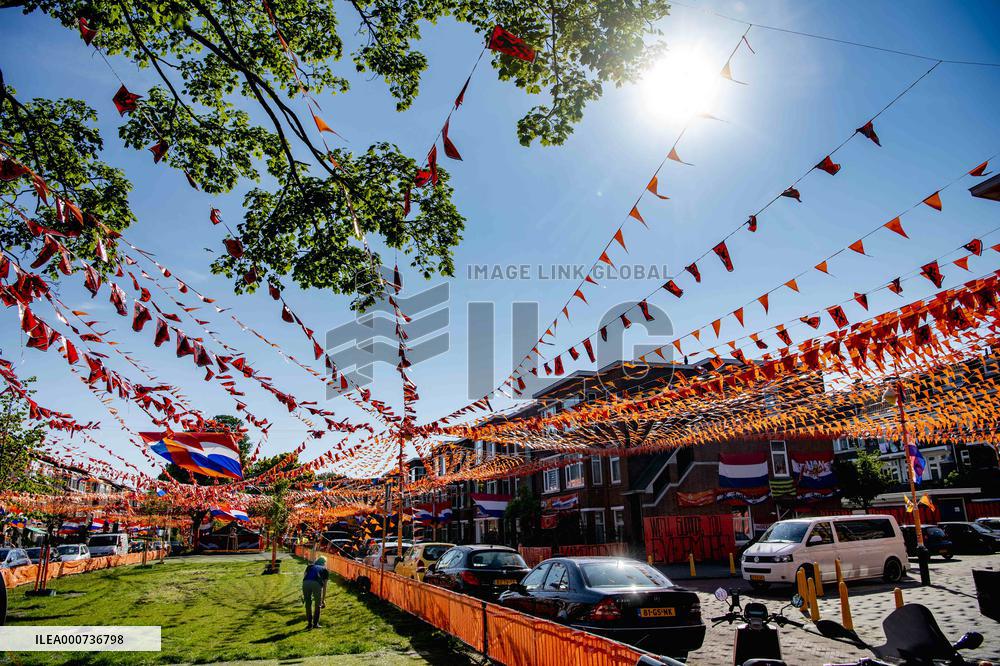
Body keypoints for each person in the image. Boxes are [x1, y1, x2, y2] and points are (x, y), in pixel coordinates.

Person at [302, 555, 329, 629]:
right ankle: (315, 624)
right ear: (324, 563)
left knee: (308, 604)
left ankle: (309, 623)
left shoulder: (310, 566)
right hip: (316, 584)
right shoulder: (325, 569)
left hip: (305, 583)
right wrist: (323, 600)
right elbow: (325, 586)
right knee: (318, 604)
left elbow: (304, 576)